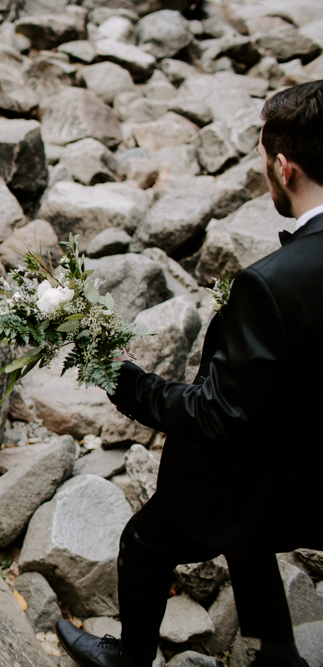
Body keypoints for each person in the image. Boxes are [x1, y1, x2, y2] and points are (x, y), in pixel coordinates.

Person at [54, 81, 323, 667]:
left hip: (276, 477)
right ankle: (279, 651)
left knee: (145, 543)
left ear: (284, 166)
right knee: (245, 522)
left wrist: (118, 377)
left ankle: (130, 660)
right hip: (313, 474)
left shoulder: (273, 283)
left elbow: (218, 413)